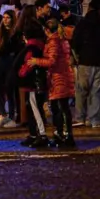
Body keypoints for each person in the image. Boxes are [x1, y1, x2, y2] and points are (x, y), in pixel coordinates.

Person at [31, 17, 76, 148]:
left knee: (61, 108)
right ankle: (63, 134)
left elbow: (52, 61)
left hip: (58, 78)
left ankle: (65, 135)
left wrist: (37, 61)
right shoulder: (61, 39)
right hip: (63, 76)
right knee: (60, 107)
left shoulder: (53, 41)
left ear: (46, 30)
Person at [72, 5, 100, 127]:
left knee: (81, 91)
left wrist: (79, 56)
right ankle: (94, 120)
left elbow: (75, 42)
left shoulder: (82, 25)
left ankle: (80, 117)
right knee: (97, 93)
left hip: (84, 62)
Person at [16, 15, 50, 148]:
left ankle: (41, 134)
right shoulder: (41, 45)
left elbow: (28, 65)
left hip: (34, 84)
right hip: (37, 83)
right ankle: (35, 134)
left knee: (35, 109)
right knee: (34, 108)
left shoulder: (31, 48)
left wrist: (20, 73)